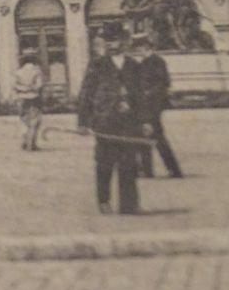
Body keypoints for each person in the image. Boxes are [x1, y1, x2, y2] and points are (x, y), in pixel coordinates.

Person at [76, 23, 142, 215]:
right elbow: (86, 94)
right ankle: (104, 201)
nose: (112, 45)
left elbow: (140, 96)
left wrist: (145, 121)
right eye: (108, 41)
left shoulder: (133, 65)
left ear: (124, 41)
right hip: (105, 121)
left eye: (115, 40)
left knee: (129, 164)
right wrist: (83, 122)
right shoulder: (97, 65)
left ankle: (128, 204)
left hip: (129, 122)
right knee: (104, 163)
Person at [125, 33, 182, 178]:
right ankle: (148, 169)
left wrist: (149, 93)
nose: (137, 52)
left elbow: (163, 83)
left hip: (154, 105)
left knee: (156, 136)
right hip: (143, 105)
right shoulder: (142, 63)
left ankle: (173, 169)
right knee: (143, 135)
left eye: (138, 48)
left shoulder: (157, 61)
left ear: (145, 47)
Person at [12, 50, 47, 151]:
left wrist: (22, 89)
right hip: (34, 97)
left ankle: (25, 141)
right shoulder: (37, 71)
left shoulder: (18, 72)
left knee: (24, 120)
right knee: (35, 121)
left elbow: (14, 85)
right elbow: (39, 85)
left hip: (21, 98)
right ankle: (32, 143)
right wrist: (31, 88)